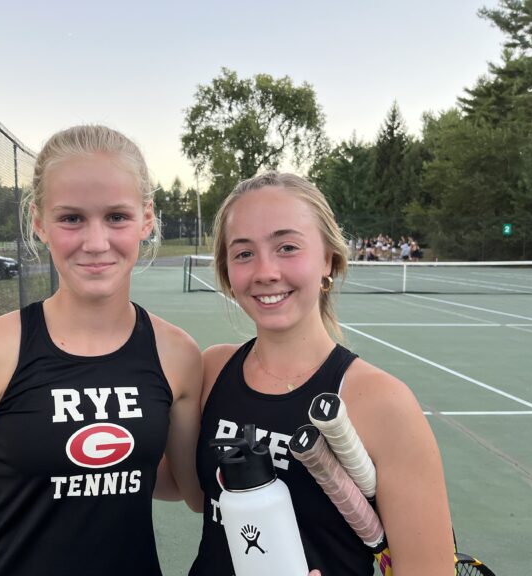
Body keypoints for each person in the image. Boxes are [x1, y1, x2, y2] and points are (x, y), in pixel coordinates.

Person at [0, 125, 203, 576]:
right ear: (39, 222)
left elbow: (189, 489)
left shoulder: (177, 354)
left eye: (117, 217)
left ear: (146, 218)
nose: (96, 242)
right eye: (71, 219)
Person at [189, 172, 455, 576]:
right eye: (243, 253)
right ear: (228, 273)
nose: (265, 271)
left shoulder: (382, 402)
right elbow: (199, 496)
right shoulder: (212, 371)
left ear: (328, 258)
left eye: (287, 247)